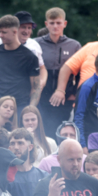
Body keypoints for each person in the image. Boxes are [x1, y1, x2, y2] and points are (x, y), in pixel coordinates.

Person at [0, 15, 41, 123]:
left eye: (4, 32)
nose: (1, 35)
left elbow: (36, 87)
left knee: (16, 139)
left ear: (15, 31)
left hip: (18, 108)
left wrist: (30, 110)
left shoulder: (30, 57)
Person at [36, 7, 82, 136]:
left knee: (62, 129)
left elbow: (80, 73)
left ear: (64, 24)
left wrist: (73, 94)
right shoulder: (36, 44)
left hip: (65, 96)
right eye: (51, 23)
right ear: (46, 24)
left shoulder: (74, 45)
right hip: (42, 95)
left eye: (58, 23)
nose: (55, 26)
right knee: (42, 129)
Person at [8, 128, 48, 196]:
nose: (16, 147)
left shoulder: (43, 176)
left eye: (20, 143)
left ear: (30, 147)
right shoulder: (5, 178)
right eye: (12, 144)